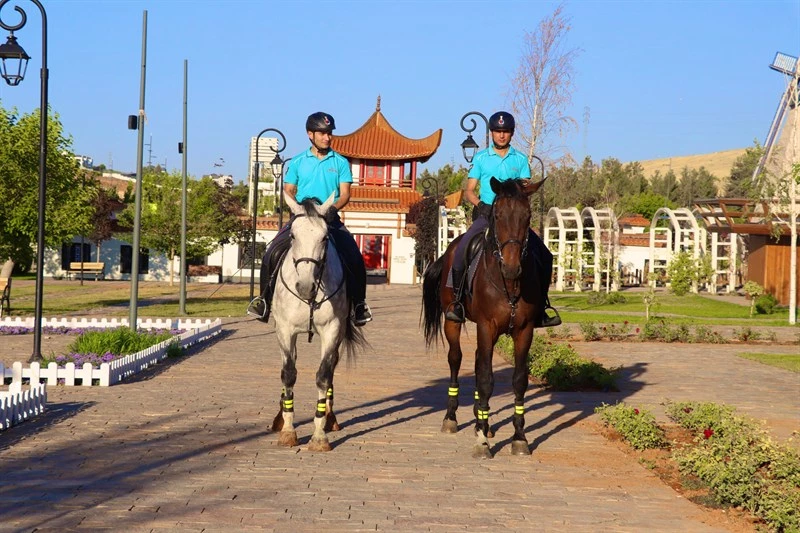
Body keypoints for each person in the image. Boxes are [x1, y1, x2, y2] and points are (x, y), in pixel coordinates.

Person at [247, 112, 373, 326]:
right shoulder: (297, 162)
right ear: (310, 134)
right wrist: (296, 208)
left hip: (328, 218)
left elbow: (345, 194)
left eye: (329, 133)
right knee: (272, 252)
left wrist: (332, 209)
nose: (327, 137)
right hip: (302, 217)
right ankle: (264, 301)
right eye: (322, 133)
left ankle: (359, 305)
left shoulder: (340, 162)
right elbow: (289, 189)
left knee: (354, 255)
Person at [444, 111, 560, 327]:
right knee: (460, 251)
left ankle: (542, 308)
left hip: (512, 220)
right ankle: (457, 302)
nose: (501, 135)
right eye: (498, 131)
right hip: (487, 215)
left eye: (505, 131)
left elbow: (524, 189)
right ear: (492, 133)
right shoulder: (481, 158)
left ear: (511, 133)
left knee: (545, 254)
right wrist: (481, 205)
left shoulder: (520, 159)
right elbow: (469, 190)